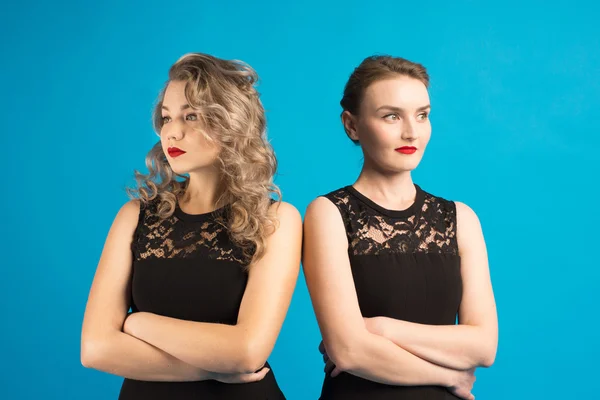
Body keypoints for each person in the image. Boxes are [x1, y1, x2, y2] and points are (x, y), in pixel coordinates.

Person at [81, 53, 301, 399]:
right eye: (167, 118)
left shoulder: (276, 219)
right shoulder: (135, 216)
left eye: (191, 116)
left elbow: (247, 352)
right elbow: (95, 348)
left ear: (232, 122)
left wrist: (138, 323)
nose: (173, 131)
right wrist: (214, 369)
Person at [302, 55, 498, 400]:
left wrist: (378, 327)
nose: (411, 131)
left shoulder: (460, 218)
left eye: (422, 115)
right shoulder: (328, 213)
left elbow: (484, 347)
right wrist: (450, 376)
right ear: (352, 125)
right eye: (391, 116)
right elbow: (348, 352)